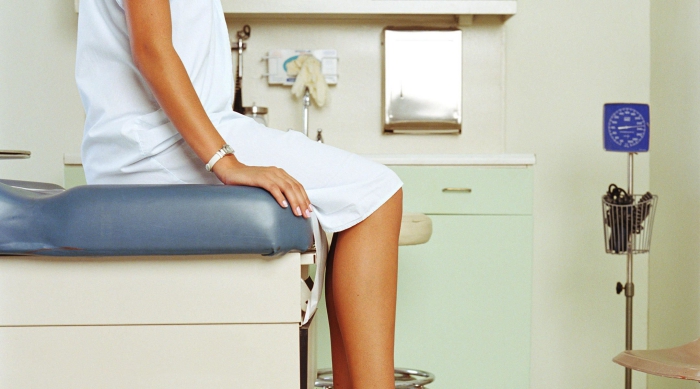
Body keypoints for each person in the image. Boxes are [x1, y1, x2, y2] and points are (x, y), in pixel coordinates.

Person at [75, 1, 404, 387]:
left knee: (372, 194)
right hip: (152, 143)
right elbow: (151, 48)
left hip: (162, 137)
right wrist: (225, 161)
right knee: (377, 192)